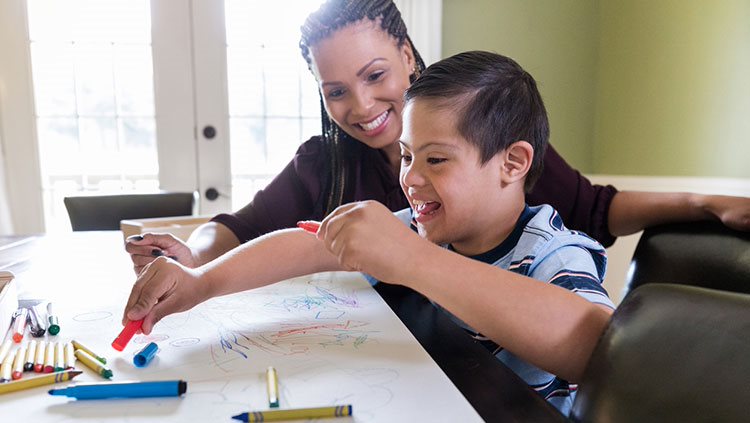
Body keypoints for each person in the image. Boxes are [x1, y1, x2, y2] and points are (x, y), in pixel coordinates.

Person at [124, 50, 613, 415]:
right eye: (406, 156)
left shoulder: (553, 252)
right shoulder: (429, 233)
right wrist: (201, 282)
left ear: (513, 163)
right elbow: (310, 246)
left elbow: (598, 349)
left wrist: (416, 261)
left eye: (436, 159)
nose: (411, 178)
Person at [125, 0, 750, 276]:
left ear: (406, 54)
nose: (362, 105)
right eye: (335, 90)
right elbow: (238, 229)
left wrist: (702, 203)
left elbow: (595, 208)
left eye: (375, 76)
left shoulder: (487, 139)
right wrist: (196, 260)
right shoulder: (323, 165)